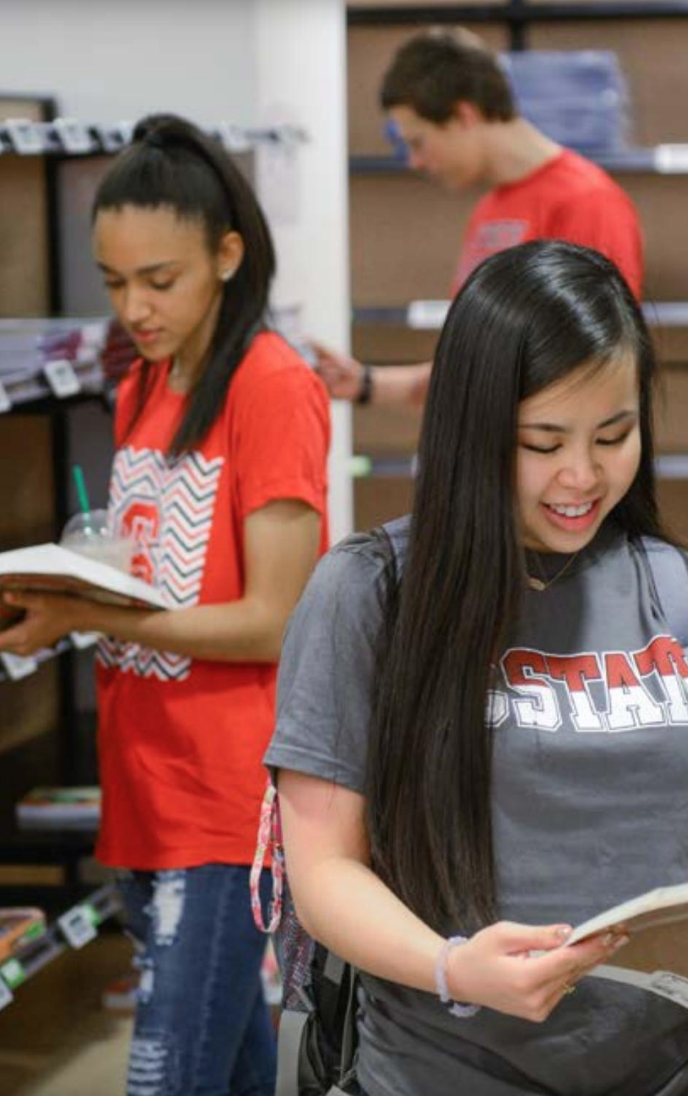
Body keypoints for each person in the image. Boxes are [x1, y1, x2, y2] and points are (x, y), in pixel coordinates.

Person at [266, 240, 688, 1096]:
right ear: (471, 431)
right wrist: (451, 968)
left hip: (677, 1071)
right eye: (541, 442)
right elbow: (324, 867)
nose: (581, 475)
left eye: (613, 434)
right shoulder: (370, 593)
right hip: (442, 1070)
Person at [0, 114, 330, 1096]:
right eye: (113, 283)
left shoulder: (271, 386)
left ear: (227, 256)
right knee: (224, 1074)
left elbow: (276, 616)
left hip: (226, 807)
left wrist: (90, 618)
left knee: (165, 1075)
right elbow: (158, 570)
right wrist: (63, 586)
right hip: (145, 787)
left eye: (160, 280)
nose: (134, 307)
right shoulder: (146, 380)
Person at [317, 27, 644, 407]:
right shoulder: (491, 210)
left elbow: (598, 367)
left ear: (463, 115)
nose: (414, 161)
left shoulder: (587, 202)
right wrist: (367, 384)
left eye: (418, 141)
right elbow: (479, 363)